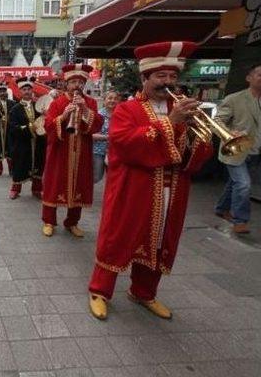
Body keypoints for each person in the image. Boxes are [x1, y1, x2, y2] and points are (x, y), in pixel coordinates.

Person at [88, 41, 213, 321]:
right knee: (117, 238)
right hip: (134, 190)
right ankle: (99, 290)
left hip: (172, 190)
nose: (168, 82)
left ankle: (143, 292)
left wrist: (196, 136)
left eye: (172, 77)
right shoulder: (126, 110)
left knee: (159, 242)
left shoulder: (181, 108)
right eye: (160, 77)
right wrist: (170, 121)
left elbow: (193, 157)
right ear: (145, 78)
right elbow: (126, 145)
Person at [41, 64, 103, 238]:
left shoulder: (90, 102)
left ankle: (72, 222)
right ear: (66, 83)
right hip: (60, 153)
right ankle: (48, 221)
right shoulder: (57, 102)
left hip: (82, 152)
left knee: (79, 185)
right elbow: (48, 126)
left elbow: (97, 124)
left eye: (80, 82)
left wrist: (85, 110)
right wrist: (63, 116)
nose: (77, 85)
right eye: (73, 82)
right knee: (54, 185)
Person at [214, 62, 261, 234]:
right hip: (236, 150)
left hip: (256, 151)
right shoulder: (234, 99)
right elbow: (216, 122)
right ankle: (240, 220)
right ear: (249, 78)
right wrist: (229, 133)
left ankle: (221, 208)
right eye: (260, 75)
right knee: (243, 184)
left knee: (235, 183)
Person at [8, 77, 45, 199]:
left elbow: (44, 122)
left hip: (38, 143)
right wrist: (29, 128)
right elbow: (13, 128)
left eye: (29, 89)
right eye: (24, 89)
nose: (27, 91)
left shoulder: (38, 107)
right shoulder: (15, 109)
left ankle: (37, 189)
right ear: (20, 91)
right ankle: (15, 189)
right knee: (20, 165)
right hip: (22, 144)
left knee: (38, 165)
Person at [92, 91, 120, 183]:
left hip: (115, 152)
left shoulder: (121, 115)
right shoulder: (98, 115)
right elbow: (92, 135)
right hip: (98, 151)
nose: (112, 101)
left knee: (113, 179)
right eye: (110, 98)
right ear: (104, 100)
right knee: (96, 177)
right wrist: (108, 137)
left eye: (115, 99)